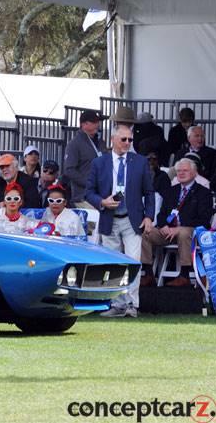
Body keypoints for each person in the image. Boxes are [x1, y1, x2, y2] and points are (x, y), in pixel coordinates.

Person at [86, 124, 154, 318]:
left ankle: (133, 304)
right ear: (113, 140)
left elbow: (149, 192)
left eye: (130, 140)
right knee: (113, 263)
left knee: (133, 262)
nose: (127, 143)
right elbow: (89, 192)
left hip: (132, 220)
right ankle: (117, 304)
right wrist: (102, 202)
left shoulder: (140, 162)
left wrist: (149, 216)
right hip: (110, 218)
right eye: (123, 139)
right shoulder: (100, 163)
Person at [140, 159, 213, 288]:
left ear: (194, 173)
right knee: (147, 232)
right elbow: (161, 214)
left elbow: (204, 219)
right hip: (168, 232)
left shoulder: (204, 193)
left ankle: (184, 275)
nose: (181, 173)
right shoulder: (171, 191)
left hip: (191, 231)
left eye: (185, 170)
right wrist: (163, 226)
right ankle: (148, 274)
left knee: (184, 233)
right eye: (179, 171)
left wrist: (180, 228)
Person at [63, 110, 105, 208]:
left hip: (101, 196)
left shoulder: (101, 142)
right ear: (84, 124)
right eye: (94, 122)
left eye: (98, 122)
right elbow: (69, 170)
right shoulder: (74, 144)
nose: (97, 124)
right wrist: (89, 183)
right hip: (82, 197)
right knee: (93, 221)